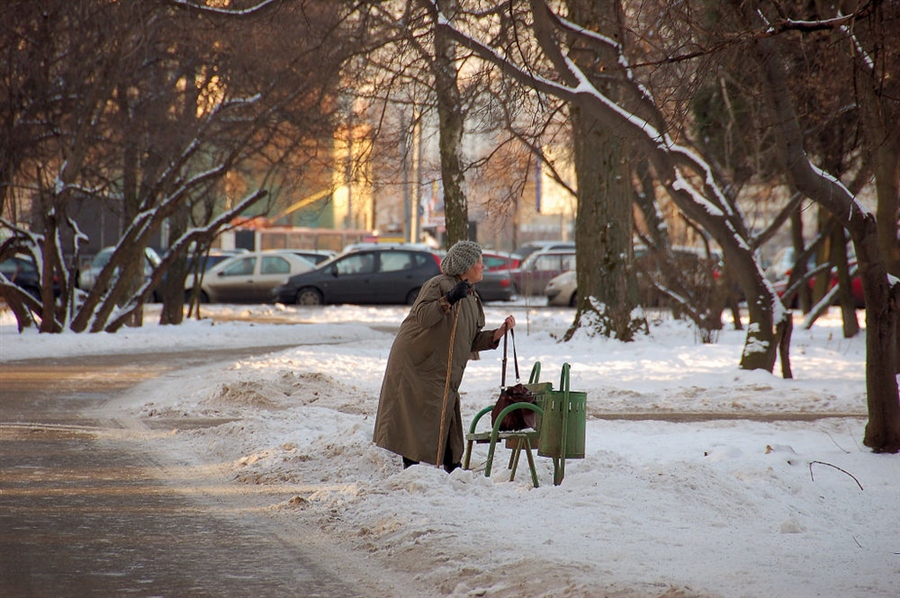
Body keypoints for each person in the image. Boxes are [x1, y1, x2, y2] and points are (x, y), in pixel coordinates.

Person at [373, 240, 516, 473]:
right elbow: (423, 317)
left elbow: (468, 340)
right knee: (418, 411)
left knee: (444, 410)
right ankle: (412, 469)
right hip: (416, 362)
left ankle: (452, 466)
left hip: (441, 366)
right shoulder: (439, 285)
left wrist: (498, 333)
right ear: (465, 265)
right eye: (479, 261)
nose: (483, 266)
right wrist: (448, 299)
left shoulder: (471, 296)